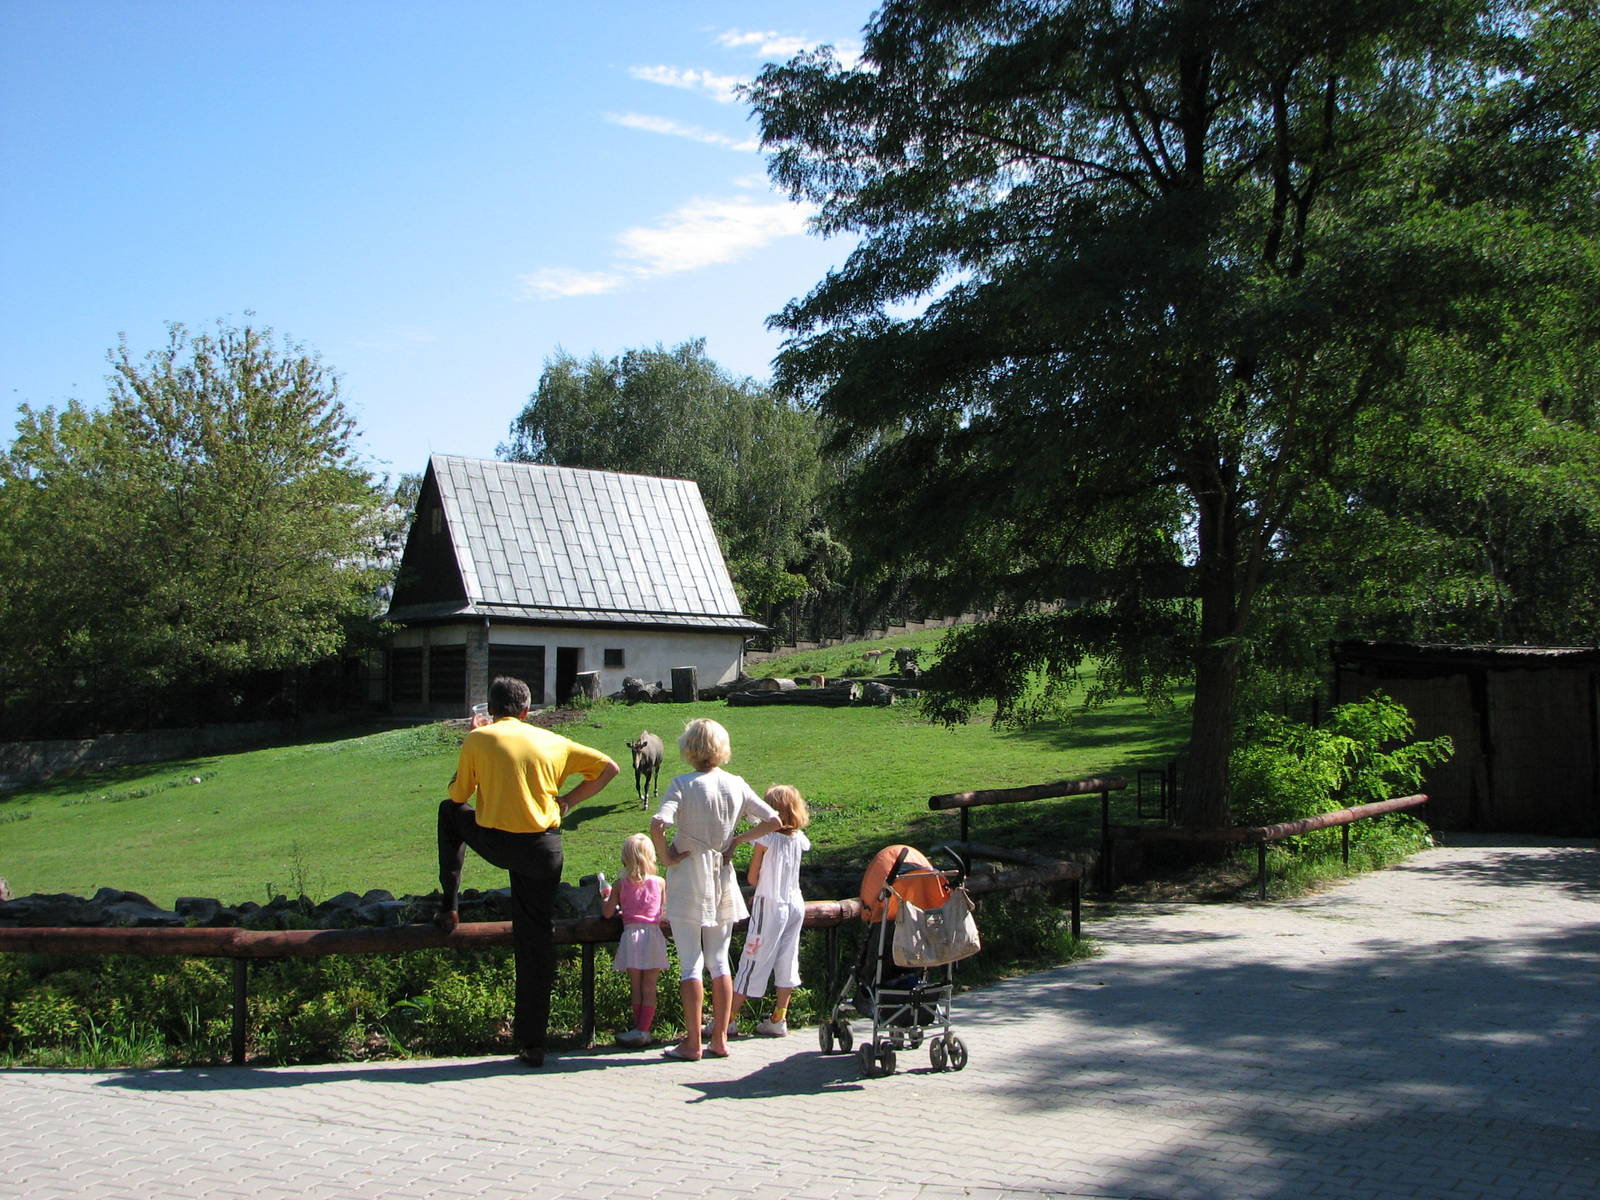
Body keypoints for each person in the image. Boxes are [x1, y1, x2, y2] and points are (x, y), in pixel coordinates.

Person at [436, 675, 618, 1067]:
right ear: (525, 710)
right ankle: (533, 1043)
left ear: (491, 709)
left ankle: (449, 904)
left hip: (497, 842)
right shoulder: (554, 742)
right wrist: (567, 801)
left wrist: (476, 739)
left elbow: (457, 796)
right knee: (534, 940)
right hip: (543, 849)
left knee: (448, 812)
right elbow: (610, 768)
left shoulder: (479, 738)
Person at [650, 718, 780, 1061]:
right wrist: (737, 840)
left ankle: (692, 1043)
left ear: (689, 747)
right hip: (721, 873)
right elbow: (774, 821)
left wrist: (666, 856)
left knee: (690, 963)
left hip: (688, 874)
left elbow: (658, 822)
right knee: (719, 959)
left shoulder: (682, 783)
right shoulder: (735, 784)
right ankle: (720, 1038)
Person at [727, 784, 811, 1037]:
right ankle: (779, 1018)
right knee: (787, 959)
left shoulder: (765, 839)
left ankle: (728, 1020)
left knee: (751, 960)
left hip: (770, 904)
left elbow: (753, 878)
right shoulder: (800, 839)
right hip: (796, 904)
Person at [602, 833, 668, 1048]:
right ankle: (644, 1029)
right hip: (653, 935)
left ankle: (637, 1028)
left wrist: (606, 897)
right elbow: (664, 911)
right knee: (650, 986)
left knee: (636, 986)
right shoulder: (659, 882)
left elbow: (607, 913)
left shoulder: (620, 884)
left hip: (631, 936)